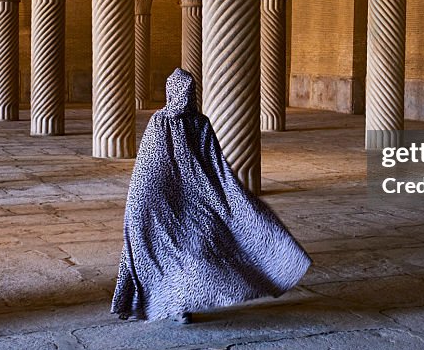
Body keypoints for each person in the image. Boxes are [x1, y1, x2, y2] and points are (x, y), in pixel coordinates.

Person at [112, 68, 311, 323]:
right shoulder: (161, 122)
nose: (184, 97)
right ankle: (174, 303)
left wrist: (228, 193)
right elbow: (150, 169)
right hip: (164, 201)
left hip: (199, 198)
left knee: (196, 248)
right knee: (169, 252)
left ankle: (184, 300)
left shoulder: (198, 122)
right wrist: (142, 204)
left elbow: (214, 162)